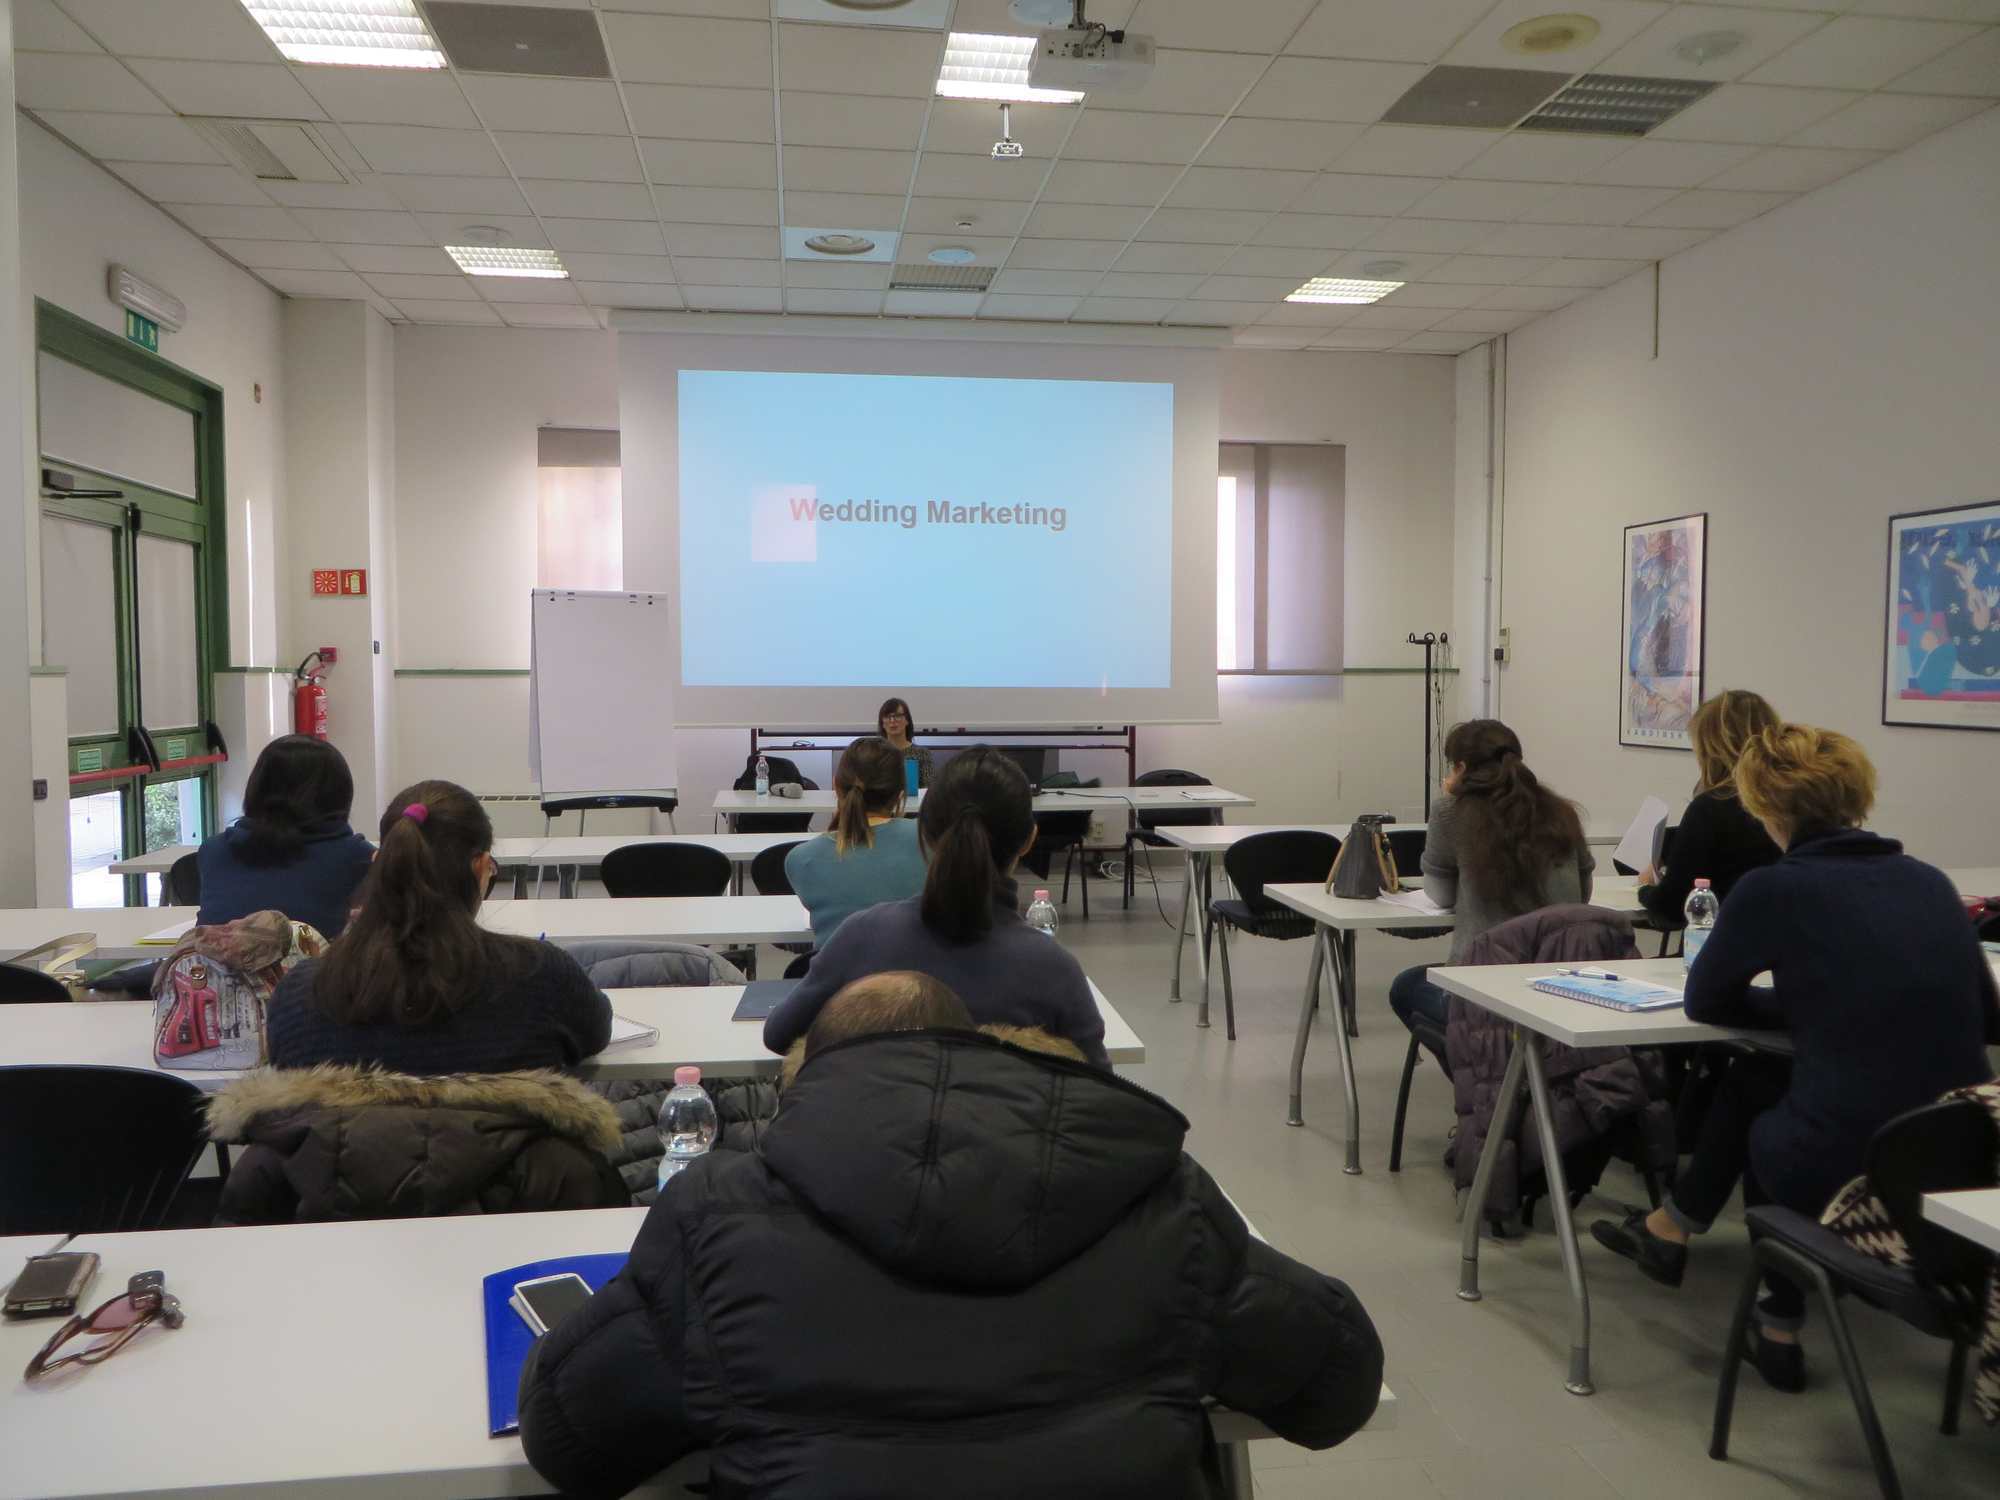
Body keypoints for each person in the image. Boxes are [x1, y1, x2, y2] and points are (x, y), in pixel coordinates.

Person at [518, 975, 1385, 1498]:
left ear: (810, 1078)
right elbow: (1336, 1387)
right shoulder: (1159, 1193)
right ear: (976, 1058)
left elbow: (567, 1439)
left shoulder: (715, 1213)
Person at [1591, 724, 2000, 1391]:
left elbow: (1707, 1000)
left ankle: (1776, 1322)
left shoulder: (1773, 889)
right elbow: (1987, 1015)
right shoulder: (1928, 882)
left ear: (1763, 805)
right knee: (1758, 1077)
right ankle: (1675, 1234)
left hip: (1864, 1167)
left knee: (1771, 1128)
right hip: (1963, 1153)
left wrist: (1805, 1008)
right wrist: (1826, 1006)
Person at [763, 748, 1109, 1066]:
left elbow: (778, 1035)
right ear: (1029, 839)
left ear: (923, 833)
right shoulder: (1052, 969)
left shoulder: (861, 936)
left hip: (878, 1113)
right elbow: (1097, 1088)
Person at [266, 779, 611, 1075]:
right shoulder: (542, 977)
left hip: (342, 1137)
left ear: (378, 863)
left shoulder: (298, 996)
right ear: (480, 868)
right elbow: (595, 1031)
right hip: (504, 1136)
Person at [1388, 719, 1595, 1033]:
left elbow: (1440, 894)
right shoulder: (1561, 811)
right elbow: (1582, 895)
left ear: (1460, 768)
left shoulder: (1450, 811)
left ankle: (1478, 1060)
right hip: (1561, 985)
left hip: (1484, 983)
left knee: (1406, 986)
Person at [196, 734, 372, 939]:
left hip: (217, 960)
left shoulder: (214, 850)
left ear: (256, 787)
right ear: (338, 794)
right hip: (317, 960)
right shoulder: (356, 856)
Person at [1636, 689, 1782, 922]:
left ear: (1713, 749)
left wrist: (1645, 891)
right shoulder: (1789, 802)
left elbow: (1671, 906)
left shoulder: (1711, 807)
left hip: (1723, 936)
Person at [784, 736, 927, 948]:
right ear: (901, 792)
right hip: (916, 968)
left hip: (839, 970)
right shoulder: (932, 841)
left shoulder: (801, 859)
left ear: (835, 785)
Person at [876, 695, 933, 790]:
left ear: (907, 721)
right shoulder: (875, 754)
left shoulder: (922, 753)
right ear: (882, 723)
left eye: (897, 716)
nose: (892, 721)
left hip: (914, 799)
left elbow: (930, 789)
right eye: (887, 717)